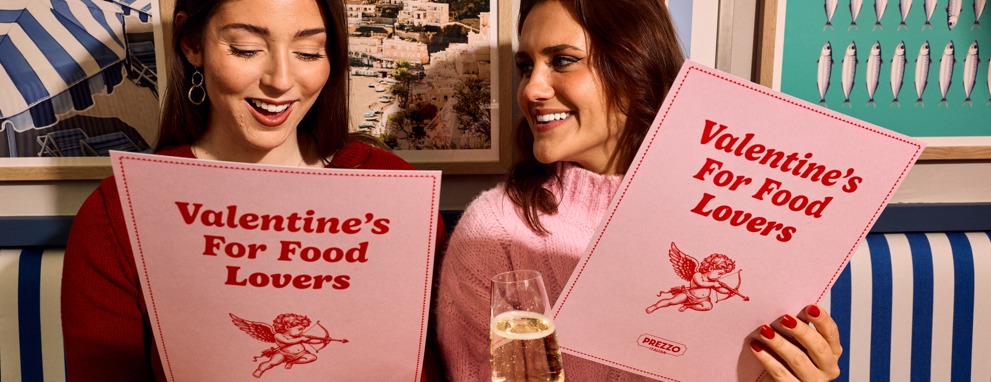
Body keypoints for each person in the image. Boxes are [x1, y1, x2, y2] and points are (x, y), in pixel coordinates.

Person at [434, 0, 843, 381]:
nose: (531, 90)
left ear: (635, 66)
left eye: (562, 61)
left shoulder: (744, 217)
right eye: (526, 67)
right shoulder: (494, 232)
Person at [60, 0, 444, 380]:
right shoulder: (120, 211)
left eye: (308, 53)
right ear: (192, 46)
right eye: (246, 49)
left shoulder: (393, 191)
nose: (279, 80)